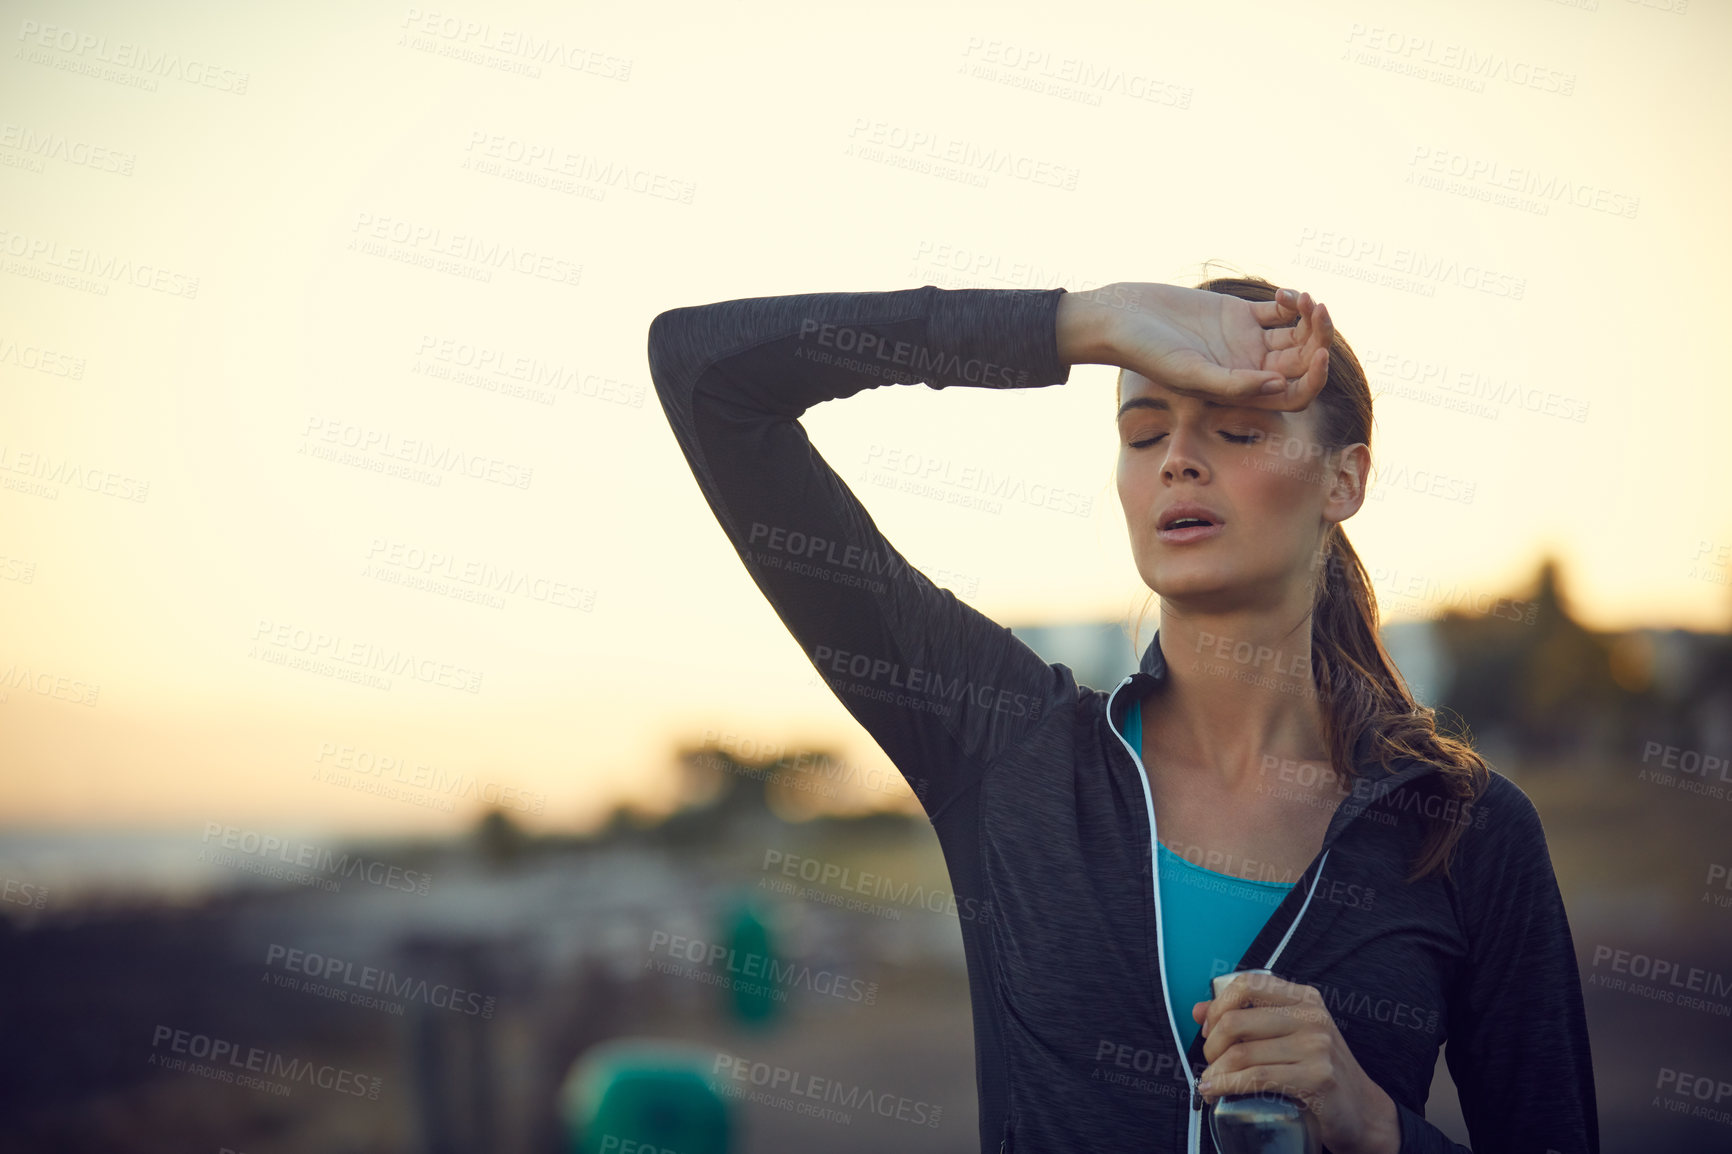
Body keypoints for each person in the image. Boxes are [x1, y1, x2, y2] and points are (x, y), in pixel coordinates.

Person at [646, 274, 1598, 1153]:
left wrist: (1376, 1126)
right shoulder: (1004, 746)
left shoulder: (1466, 830)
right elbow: (708, 375)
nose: (1178, 460)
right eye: (1144, 434)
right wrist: (1083, 322)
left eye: (1236, 430)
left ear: (1342, 481)